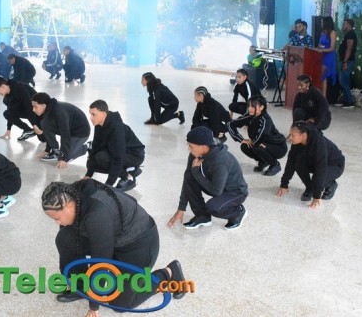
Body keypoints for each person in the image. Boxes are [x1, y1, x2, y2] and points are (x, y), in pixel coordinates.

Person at [42, 180, 186, 311]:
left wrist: (94, 306)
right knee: (65, 239)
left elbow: (101, 261)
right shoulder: (73, 196)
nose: (57, 222)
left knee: (120, 303)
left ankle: (169, 273)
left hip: (138, 245)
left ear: (69, 206)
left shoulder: (96, 214)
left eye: (57, 218)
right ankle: (81, 287)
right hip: (113, 239)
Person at [168, 126, 248, 230]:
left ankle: (238, 213)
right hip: (215, 185)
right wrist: (181, 208)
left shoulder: (221, 160)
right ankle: (202, 216)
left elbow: (216, 192)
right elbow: (187, 179)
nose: (189, 149)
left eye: (191, 146)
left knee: (213, 207)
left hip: (235, 192)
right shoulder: (195, 154)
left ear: (204, 146)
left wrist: (196, 171)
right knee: (190, 179)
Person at [276, 121, 345, 208]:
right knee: (298, 163)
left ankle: (331, 184)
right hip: (314, 162)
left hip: (334, 165)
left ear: (303, 135)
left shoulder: (319, 144)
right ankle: (310, 188)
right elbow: (290, 162)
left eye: (293, 135)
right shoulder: (297, 143)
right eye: (290, 134)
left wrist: (317, 197)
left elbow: (321, 169)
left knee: (317, 177)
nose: (289, 138)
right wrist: (284, 184)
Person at [86, 99, 145, 192]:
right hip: (118, 151)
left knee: (101, 157)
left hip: (134, 155)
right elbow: (96, 146)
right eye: (90, 114)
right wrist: (89, 174)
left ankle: (129, 175)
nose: (91, 118)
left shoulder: (116, 129)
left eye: (94, 115)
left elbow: (118, 158)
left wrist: (108, 185)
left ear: (103, 114)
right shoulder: (99, 124)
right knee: (91, 163)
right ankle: (128, 169)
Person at [226, 95, 287, 176]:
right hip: (262, 143)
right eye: (249, 106)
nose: (249, 109)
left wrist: (254, 142)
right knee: (245, 146)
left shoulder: (265, 120)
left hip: (278, 147)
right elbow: (230, 124)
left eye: (253, 106)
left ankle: (275, 164)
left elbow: (260, 137)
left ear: (261, 107)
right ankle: (263, 161)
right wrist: (241, 139)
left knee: (257, 147)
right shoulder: (250, 115)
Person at [31, 92, 90, 166]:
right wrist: (47, 150)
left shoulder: (59, 111)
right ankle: (56, 151)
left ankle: (88, 146)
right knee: (44, 123)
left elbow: (65, 134)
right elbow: (48, 129)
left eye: (35, 107)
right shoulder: (48, 109)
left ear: (44, 105)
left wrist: (62, 158)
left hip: (80, 132)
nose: (33, 110)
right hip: (70, 128)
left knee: (66, 156)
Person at [338, 18, 357, 108]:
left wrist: (345, 61)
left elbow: (349, 49)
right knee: (343, 80)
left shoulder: (351, 35)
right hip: (344, 61)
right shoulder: (348, 34)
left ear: (349, 25)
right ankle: (346, 100)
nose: (343, 26)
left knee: (344, 81)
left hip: (348, 61)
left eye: (344, 24)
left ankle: (349, 101)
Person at [317, 16, 337, 95]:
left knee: (320, 75)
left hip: (329, 57)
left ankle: (321, 96)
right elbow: (319, 46)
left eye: (322, 22)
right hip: (322, 56)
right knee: (323, 77)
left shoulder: (332, 33)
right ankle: (323, 97)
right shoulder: (323, 33)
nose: (321, 24)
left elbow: (332, 48)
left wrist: (322, 50)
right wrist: (315, 49)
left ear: (326, 23)